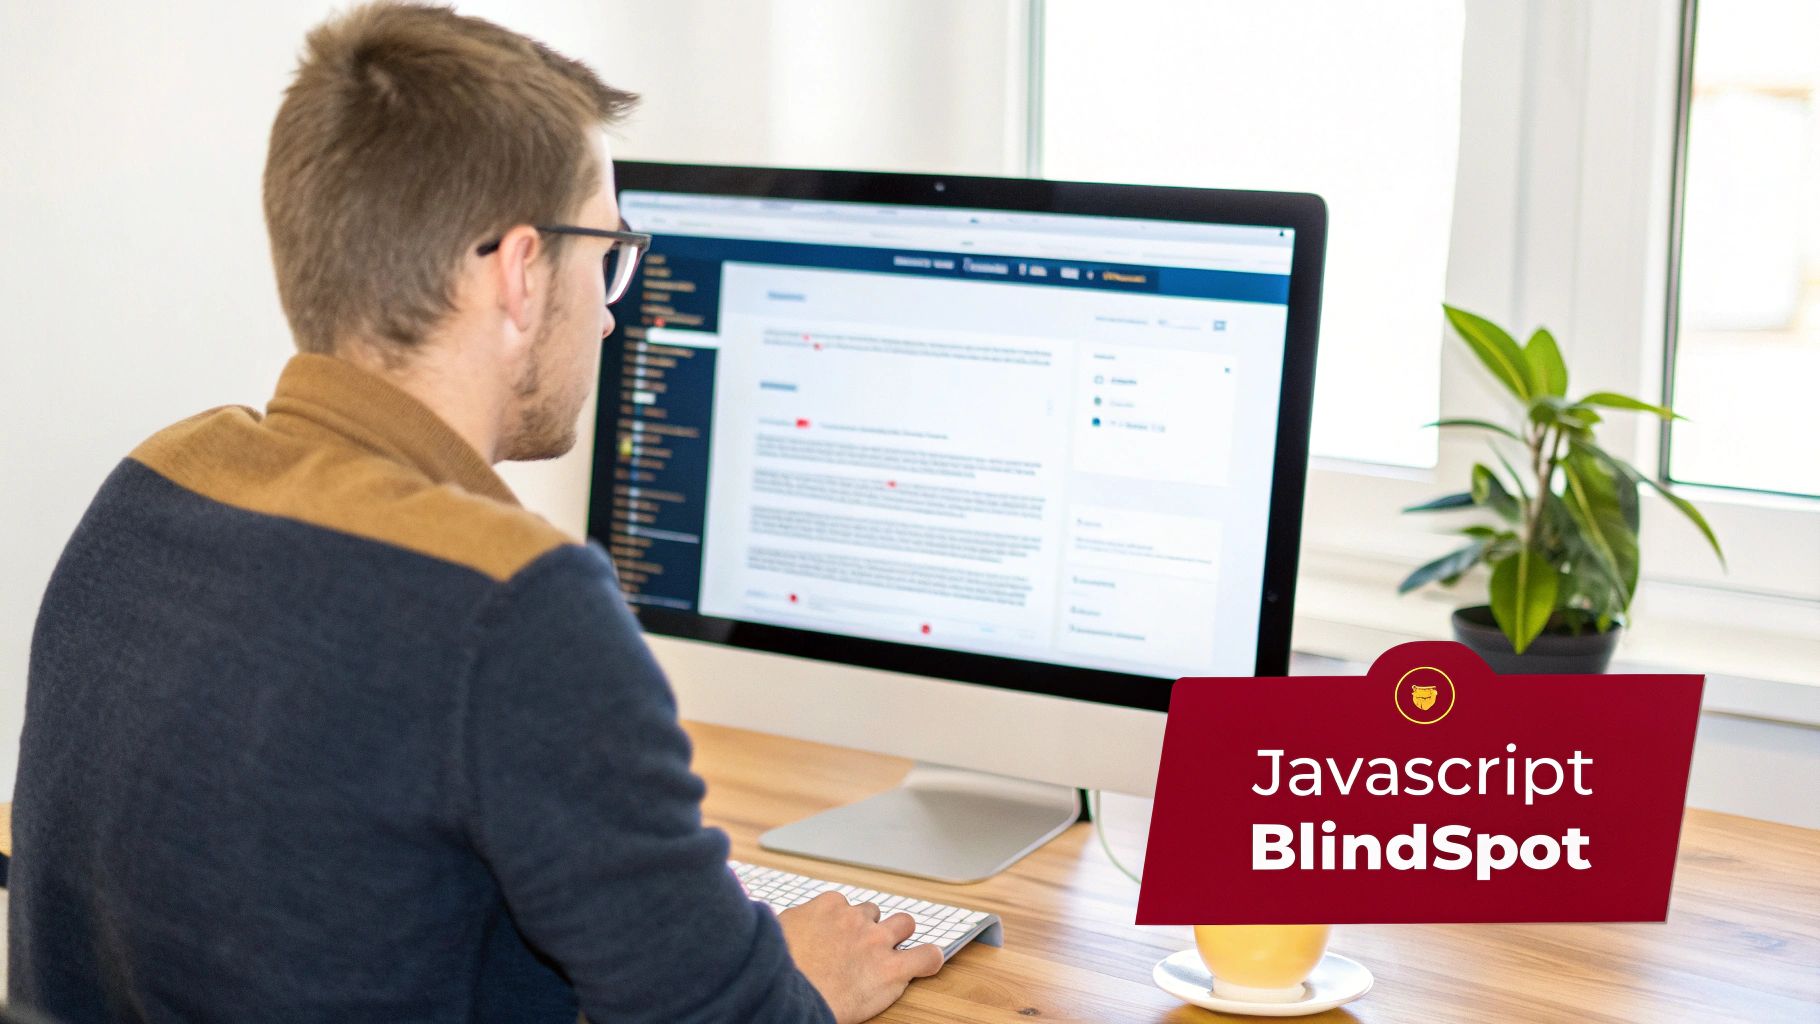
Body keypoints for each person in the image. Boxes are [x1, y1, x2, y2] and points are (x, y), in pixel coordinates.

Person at [7, 4, 941, 1022]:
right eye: (608, 253)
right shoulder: (513, 603)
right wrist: (799, 981)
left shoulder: (153, 485)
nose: (615, 305)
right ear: (522, 273)